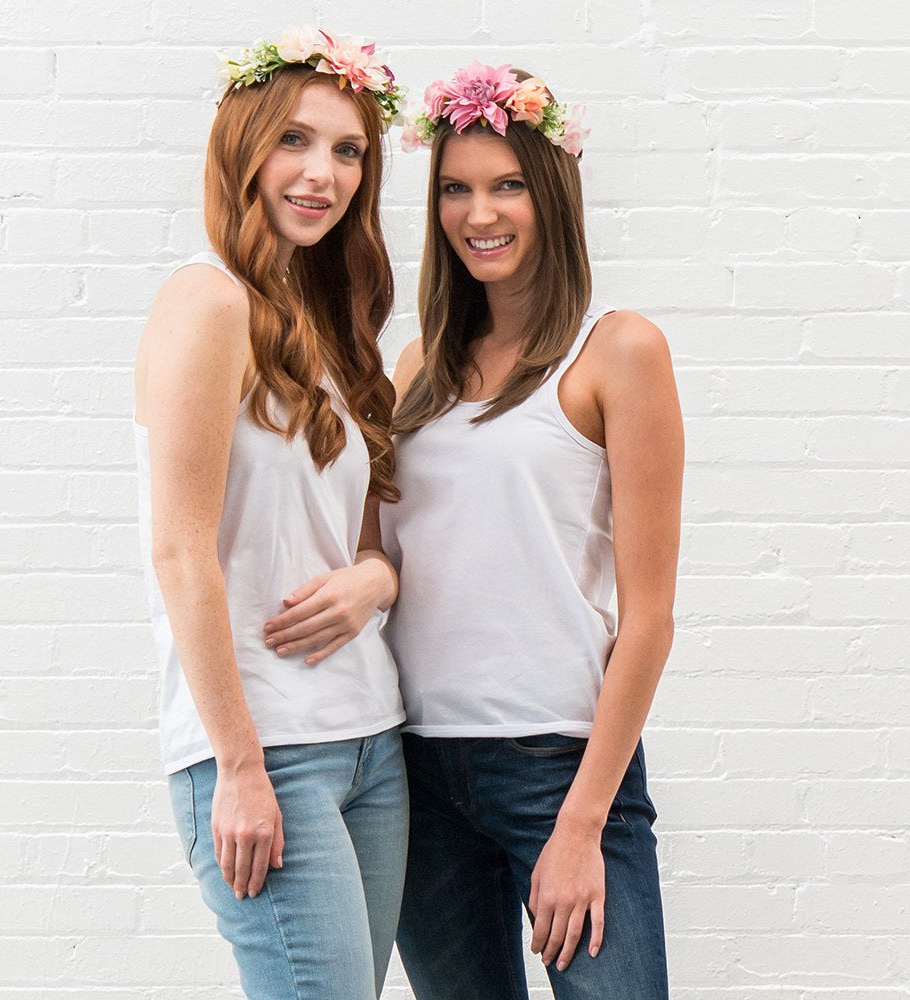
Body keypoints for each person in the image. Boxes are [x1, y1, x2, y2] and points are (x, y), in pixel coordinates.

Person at [380, 63, 684, 999]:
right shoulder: (418, 365)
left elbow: (651, 618)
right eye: (456, 189)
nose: (482, 213)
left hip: (563, 764)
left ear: (551, 193)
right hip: (417, 769)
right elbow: (382, 557)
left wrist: (583, 824)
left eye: (507, 184)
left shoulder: (618, 350)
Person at [133, 28, 409, 1000]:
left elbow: (371, 546)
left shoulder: (338, 334)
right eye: (294, 140)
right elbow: (180, 552)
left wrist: (375, 578)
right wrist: (238, 766)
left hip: (372, 738)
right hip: (264, 749)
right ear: (243, 146)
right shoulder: (207, 303)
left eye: (347, 151)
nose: (320, 172)